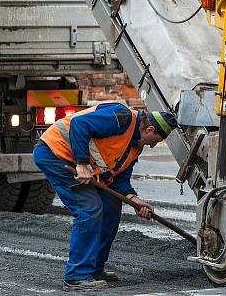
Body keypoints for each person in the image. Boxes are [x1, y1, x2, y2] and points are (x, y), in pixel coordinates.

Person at [33, 102, 178, 291]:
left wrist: (133, 199)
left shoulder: (136, 145)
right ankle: (77, 276)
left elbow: (120, 177)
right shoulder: (121, 117)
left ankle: (94, 269)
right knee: (89, 208)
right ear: (149, 129)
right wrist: (82, 163)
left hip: (77, 164)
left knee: (111, 205)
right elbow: (79, 124)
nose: (153, 145)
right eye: (156, 140)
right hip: (56, 154)